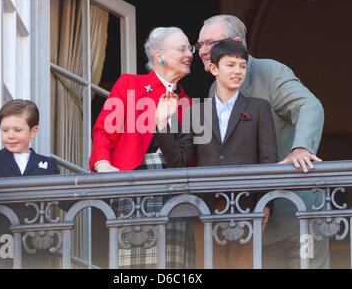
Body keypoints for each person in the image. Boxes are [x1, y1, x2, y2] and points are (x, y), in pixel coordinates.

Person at [196, 14, 327, 268]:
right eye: (199, 44)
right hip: (253, 222)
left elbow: (310, 106)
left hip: (296, 214)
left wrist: (300, 148)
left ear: (236, 42)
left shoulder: (269, 71)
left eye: (209, 43)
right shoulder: (214, 89)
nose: (202, 51)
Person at [155, 39, 277, 268]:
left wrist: (266, 204)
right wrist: (161, 126)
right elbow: (179, 162)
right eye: (231, 65)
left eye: (242, 66)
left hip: (248, 205)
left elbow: (268, 159)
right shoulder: (196, 111)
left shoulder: (259, 107)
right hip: (206, 207)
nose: (238, 71)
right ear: (214, 69)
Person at [89, 27, 195, 268]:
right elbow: (105, 130)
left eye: (190, 48)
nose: (189, 53)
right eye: (182, 48)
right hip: (132, 183)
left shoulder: (188, 102)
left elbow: (185, 158)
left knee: (172, 266)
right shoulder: (130, 85)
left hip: (174, 189)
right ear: (159, 55)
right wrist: (103, 165)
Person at [0, 99, 60, 268]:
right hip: (1, 243)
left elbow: (66, 199)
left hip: (37, 243)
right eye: (5, 130)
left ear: (33, 131)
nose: (10, 136)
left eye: (17, 130)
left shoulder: (47, 164)